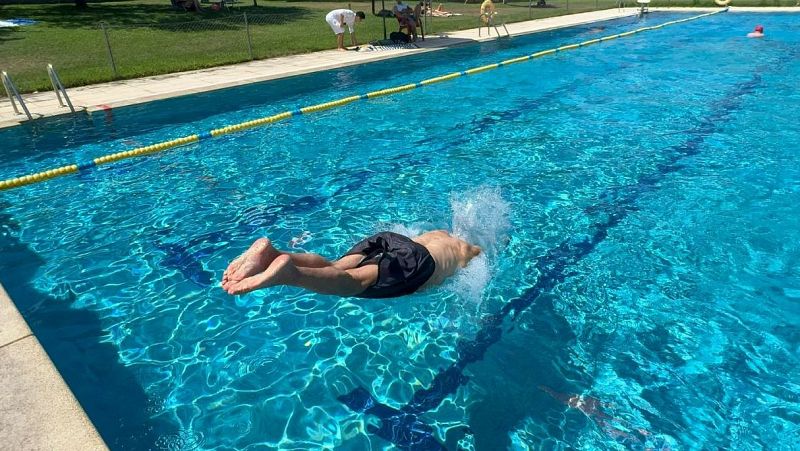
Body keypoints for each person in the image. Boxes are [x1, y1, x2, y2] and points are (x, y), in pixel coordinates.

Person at [222, 230, 481, 297]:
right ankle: (292, 274)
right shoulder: (465, 251)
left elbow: (407, 243)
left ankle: (271, 254)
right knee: (358, 282)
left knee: (336, 266)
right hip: (418, 264)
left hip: (389, 240)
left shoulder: (438, 234)